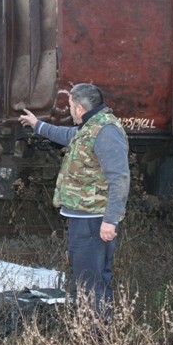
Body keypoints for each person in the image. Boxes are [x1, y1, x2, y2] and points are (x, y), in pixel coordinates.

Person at [19, 83, 130, 317]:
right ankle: (93, 329)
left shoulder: (106, 131)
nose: (69, 110)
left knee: (90, 282)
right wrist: (37, 125)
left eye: (70, 105)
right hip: (84, 217)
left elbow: (119, 178)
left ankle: (94, 332)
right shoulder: (90, 127)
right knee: (89, 279)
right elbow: (67, 135)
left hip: (94, 220)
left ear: (79, 108)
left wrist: (110, 221)